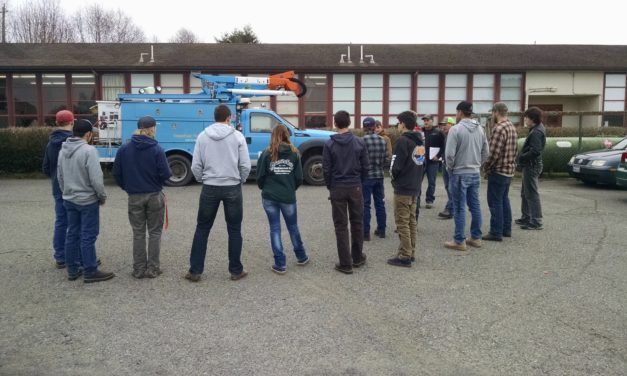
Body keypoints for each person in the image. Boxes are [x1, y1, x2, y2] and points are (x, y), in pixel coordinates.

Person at [186, 104, 251, 282]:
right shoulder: (238, 136)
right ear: (229, 118)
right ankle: (236, 270)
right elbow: (245, 165)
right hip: (232, 186)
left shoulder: (202, 136)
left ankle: (195, 270)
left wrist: (202, 179)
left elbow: (195, 166)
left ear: (214, 117)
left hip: (210, 186)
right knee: (234, 229)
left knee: (202, 228)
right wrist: (240, 179)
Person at [113, 116, 172, 279]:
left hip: (134, 196)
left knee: (138, 233)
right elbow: (166, 174)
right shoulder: (157, 149)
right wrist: (157, 182)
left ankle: (138, 269)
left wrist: (128, 187)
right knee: (154, 232)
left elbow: (117, 174)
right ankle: (153, 268)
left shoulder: (124, 149)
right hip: (154, 195)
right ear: (151, 129)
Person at [57, 120, 114, 283]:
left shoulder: (63, 150)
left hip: (69, 198)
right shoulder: (89, 151)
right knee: (88, 235)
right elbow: (96, 179)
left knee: (72, 234)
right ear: (88, 134)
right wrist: (101, 196)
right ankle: (90, 270)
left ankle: (73, 269)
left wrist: (65, 192)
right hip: (87, 200)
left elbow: (60, 176)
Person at [256, 125, 309, 274]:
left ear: (273, 135)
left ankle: (280, 263)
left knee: (275, 229)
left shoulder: (267, 153)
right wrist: (291, 188)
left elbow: (260, 176)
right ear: (287, 135)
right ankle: (301, 256)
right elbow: (299, 177)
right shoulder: (294, 153)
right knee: (293, 227)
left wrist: (264, 188)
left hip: (269, 196)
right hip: (287, 196)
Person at [323, 110, 369, 274]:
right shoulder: (359, 142)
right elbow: (366, 167)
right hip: (355, 186)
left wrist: (331, 186)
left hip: (337, 187)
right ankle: (357, 257)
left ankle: (345, 263)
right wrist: (359, 182)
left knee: (341, 225)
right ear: (349, 123)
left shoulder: (329, 144)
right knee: (357, 222)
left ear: (335, 123)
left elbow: (326, 170)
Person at [444, 101, 489, 251]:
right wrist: (477, 164)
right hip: (474, 172)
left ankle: (459, 240)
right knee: (474, 205)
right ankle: (476, 237)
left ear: (460, 112)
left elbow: (449, 155)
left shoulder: (455, 130)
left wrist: (451, 168)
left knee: (459, 207)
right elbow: (486, 152)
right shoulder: (480, 129)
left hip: (459, 172)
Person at [387, 111, 424, 267]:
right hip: (415, 186)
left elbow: (395, 166)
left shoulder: (402, 141)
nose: (398, 125)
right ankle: (411, 251)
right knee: (411, 221)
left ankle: (405, 255)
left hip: (403, 188)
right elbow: (422, 164)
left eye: (399, 122)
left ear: (403, 123)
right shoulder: (420, 141)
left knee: (401, 222)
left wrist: (394, 179)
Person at [42, 110, 75, 269]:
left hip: (57, 186)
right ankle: (77, 256)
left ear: (57, 123)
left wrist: (56, 177)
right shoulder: (74, 142)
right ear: (72, 122)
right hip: (74, 187)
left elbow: (46, 168)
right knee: (77, 222)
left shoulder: (50, 143)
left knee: (61, 221)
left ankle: (60, 257)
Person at [482, 103, 518, 241]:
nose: (492, 115)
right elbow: (515, 150)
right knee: (504, 199)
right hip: (509, 169)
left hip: (498, 171)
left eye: (493, 113)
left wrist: (486, 167)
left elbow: (493, 153)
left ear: (496, 112)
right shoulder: (511, 127)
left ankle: (496, 232)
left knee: (495, 201)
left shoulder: (499, 128)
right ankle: (506, 229)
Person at [516, 106, 546, 230]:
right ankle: (526, 217)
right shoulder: (537, 129)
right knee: (525, 192)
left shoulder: (536, 132)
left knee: (532, 193)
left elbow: (535, 151)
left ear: (532, 119)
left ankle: (536, 221)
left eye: (526, 118)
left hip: (531, 165)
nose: (525, 121)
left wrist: (521, 157)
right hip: (531, 165)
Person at [361, 117, 388, 240]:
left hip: (366, 176)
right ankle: (381, 230)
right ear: (374, 126)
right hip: (379, 175)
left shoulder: (361, 141)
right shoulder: (383, 140)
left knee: (365, 204)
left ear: (364, 127)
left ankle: (365, 233)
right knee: (380, 203)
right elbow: (385, 159)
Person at [420, 114, 445, 210]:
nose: (425, 122)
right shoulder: (420, 132)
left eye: (427, 120)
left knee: (431, 182)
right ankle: (416, 199)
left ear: (432, 121)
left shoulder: (438, 132)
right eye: (424, 120)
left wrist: (438, 156)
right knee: (418, 181)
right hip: (421, 161)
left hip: (432, 162)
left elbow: (443, 146)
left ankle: (429, 200)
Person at [437, 117, 455, 219]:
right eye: (442, 125)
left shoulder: (454, 135)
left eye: (445, 124)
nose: (443, 126)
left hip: (450, 165)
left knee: (451, 187)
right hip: (445, 163)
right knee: (448, 187)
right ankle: (452, 208)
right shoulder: (445, 136)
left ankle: (450, 209)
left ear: (451, 125)